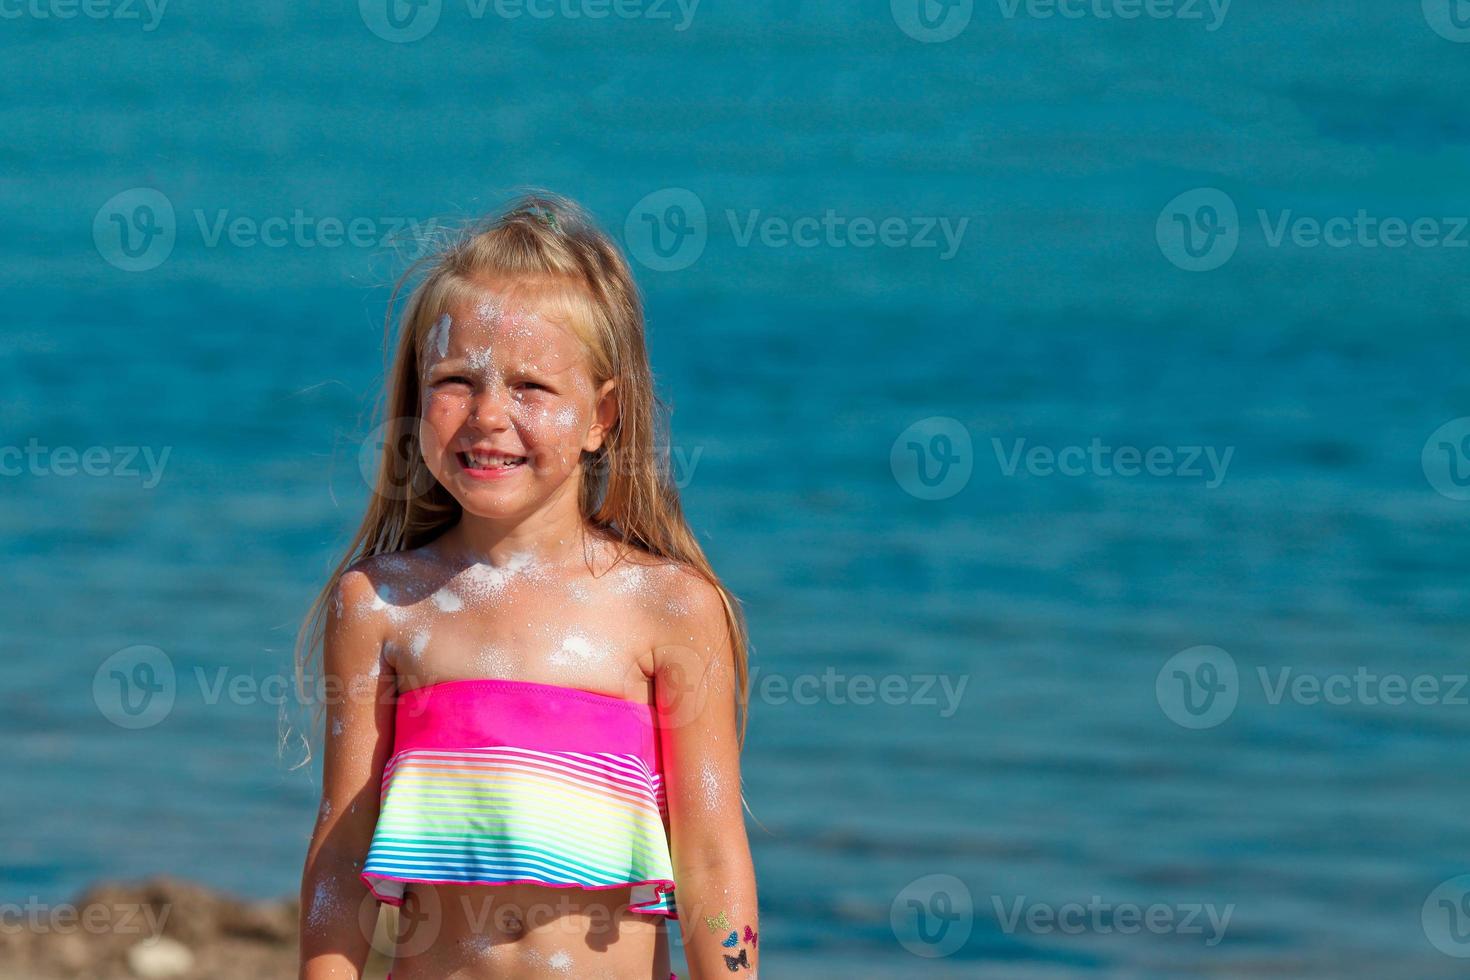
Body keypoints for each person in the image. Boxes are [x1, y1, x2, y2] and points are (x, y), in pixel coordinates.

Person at [294, 193, 759, 979]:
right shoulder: (381, 605)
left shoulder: (668, 609)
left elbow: (712, 861)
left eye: (531, 388)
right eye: (455, 381)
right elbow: (342, 859)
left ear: (601, 417)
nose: (488, 416)